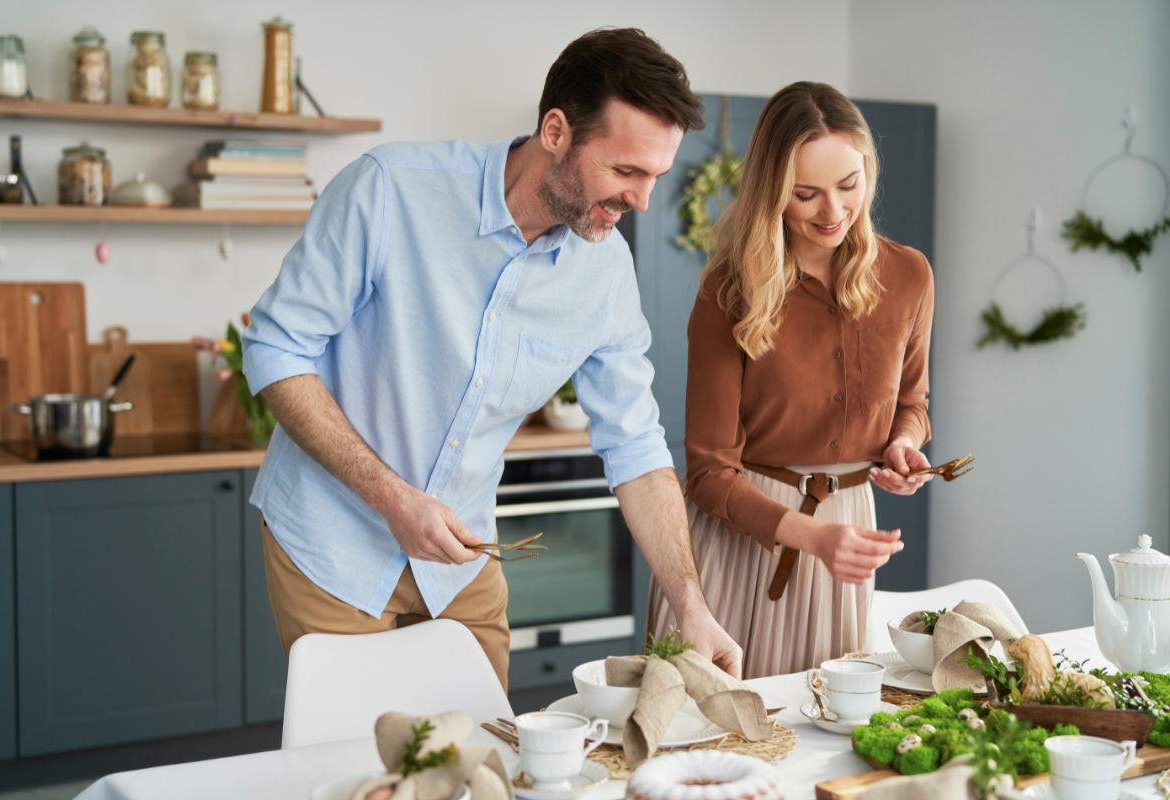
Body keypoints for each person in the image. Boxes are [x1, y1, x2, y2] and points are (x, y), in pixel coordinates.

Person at [241, 28, 743, 692]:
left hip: (462, 558)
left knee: (484, 762)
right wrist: (391, 498)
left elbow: (637, 445)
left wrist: (691, 605)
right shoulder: (392, 190)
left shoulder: (606, 272)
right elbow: (276, 346)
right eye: (626, 171)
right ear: (557, 132)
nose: (642, 200)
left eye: (655, 176)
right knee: (366, 775)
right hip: (335, 543)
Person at [647, 82, 935, 678]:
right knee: (716, 751)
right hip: (741, 540)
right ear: (773, 192)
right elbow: (706, 471)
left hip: (848, 531)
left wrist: (904, 445)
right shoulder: (729, 290)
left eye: (848, 187)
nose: (832, 212)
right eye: (806, 194)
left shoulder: (908, 275)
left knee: (823, 737)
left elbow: (913, 402)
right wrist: (812, 536)